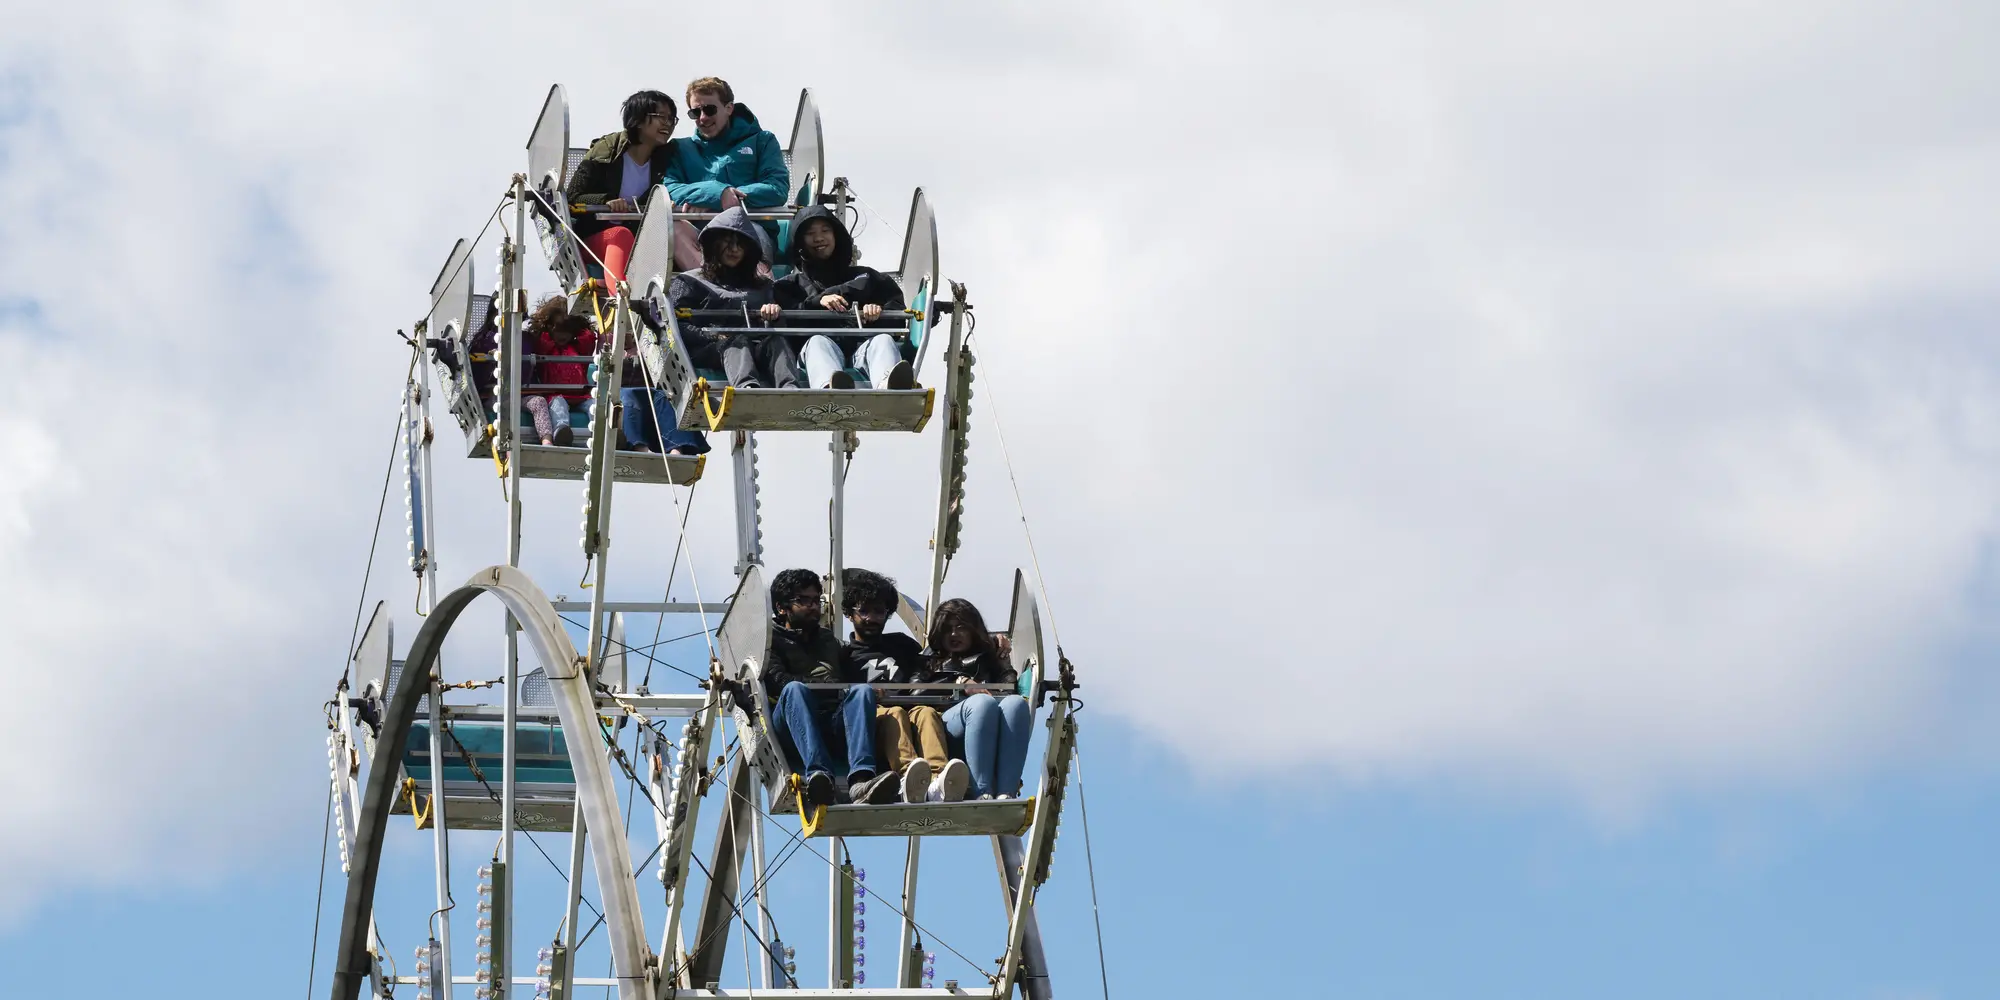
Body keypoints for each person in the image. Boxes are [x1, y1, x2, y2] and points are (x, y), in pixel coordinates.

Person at [763, 568, 900, 807]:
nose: (813, 606)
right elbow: (778, 681)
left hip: (830, 721)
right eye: (803, 601)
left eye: (816, 600)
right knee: (796, 690)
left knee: (862, 691)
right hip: (792, 723)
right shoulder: (769, 641)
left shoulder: (827, 640)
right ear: (781, 607)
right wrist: (826, 686)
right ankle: (820, 776)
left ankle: (861, 780)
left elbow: (858, 657)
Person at [842, 569, 969, 803]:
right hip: (876, 722)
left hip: (911, 712)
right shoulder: (844, 656)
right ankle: (908, 779)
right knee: (895, 713)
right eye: (864, 610)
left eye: (879, 611)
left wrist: (993, 643)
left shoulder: (901, 644)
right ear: (850, 614)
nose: (871, 618)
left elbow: (937, 659)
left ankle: (937, 780)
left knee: (926, 712)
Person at [774, 206, 917, 391]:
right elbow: (784, 321)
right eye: (810, 233)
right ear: (800, 243)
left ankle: (889, 387)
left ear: (836, 236)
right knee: (818, 342)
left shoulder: (867, 277)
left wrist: (878, 312)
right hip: (813, 354)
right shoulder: (789, 286)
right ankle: (830, 388)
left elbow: (896, 310)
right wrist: (818, 302)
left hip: (861, 349)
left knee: (882, 340)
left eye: (825, 231)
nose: (819, 238)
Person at [663, 77, 790, 267]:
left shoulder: (762, 141)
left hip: (750, 228)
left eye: (710, 109)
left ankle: (755, 291)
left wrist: (722, 200)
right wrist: (717, 193)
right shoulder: (679, 148)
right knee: (673, 228)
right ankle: (710, 287)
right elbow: (669, 189)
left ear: (729, 108)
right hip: (700, 232)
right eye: (695, 112)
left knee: (744, 241)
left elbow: (776, 188)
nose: (703, 117)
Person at [670, 207, 797, 388]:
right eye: (727, 242)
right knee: (737, 340)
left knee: (776, 341)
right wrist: (714, 336)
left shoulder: (763, 286)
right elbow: (676, 325)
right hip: (709, 349)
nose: (734, 249)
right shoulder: (689, 281)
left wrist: (774, 317)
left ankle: (791, 392)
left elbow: (779, 328)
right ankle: (747, 390)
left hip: (756, 345)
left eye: (740, 244)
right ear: (714, 245)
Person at [565, 90, 680, 291]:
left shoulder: (667, 159)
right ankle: (622, 299)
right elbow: (573, 196)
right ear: (638, 119)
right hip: (595, 238)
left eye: (671, 119)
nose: (667, 124)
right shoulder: (607, 150)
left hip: (642, 241)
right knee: (620, 234)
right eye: (661, 117)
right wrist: (607, 201)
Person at [930, 599, 1032, 800]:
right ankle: (982, 792)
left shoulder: (990, 656)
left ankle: (1006, 793)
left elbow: (1008, 690)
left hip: (987, 724)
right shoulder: (930, 660)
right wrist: (960, 681)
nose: (954, 634)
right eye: (948, 629)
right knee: (982, 703)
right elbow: (919, 690)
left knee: (1016, 704)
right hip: (948, 726)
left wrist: (1003, 662)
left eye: (961, 628)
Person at [522, 295, 596, 447]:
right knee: (559, 406)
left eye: (568, 331)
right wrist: (548, 320)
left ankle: (605, 430)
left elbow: (588, 338)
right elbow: (540, 336)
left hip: (581, 395)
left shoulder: (578, 348)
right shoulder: (547, 347)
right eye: (558, 330)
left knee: (595, 406)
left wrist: (577, 321)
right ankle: (562, 431)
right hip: (557, 394)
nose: (563, 335)